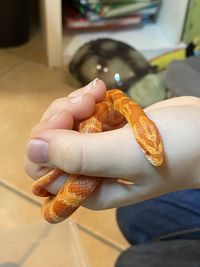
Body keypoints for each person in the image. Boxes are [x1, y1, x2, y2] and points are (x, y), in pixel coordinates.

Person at [25, 79, 200, 266]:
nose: (155, 158)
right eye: (148, 151)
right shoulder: (121, 107)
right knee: (131, 213)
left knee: (130, 262)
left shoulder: (137, 122)